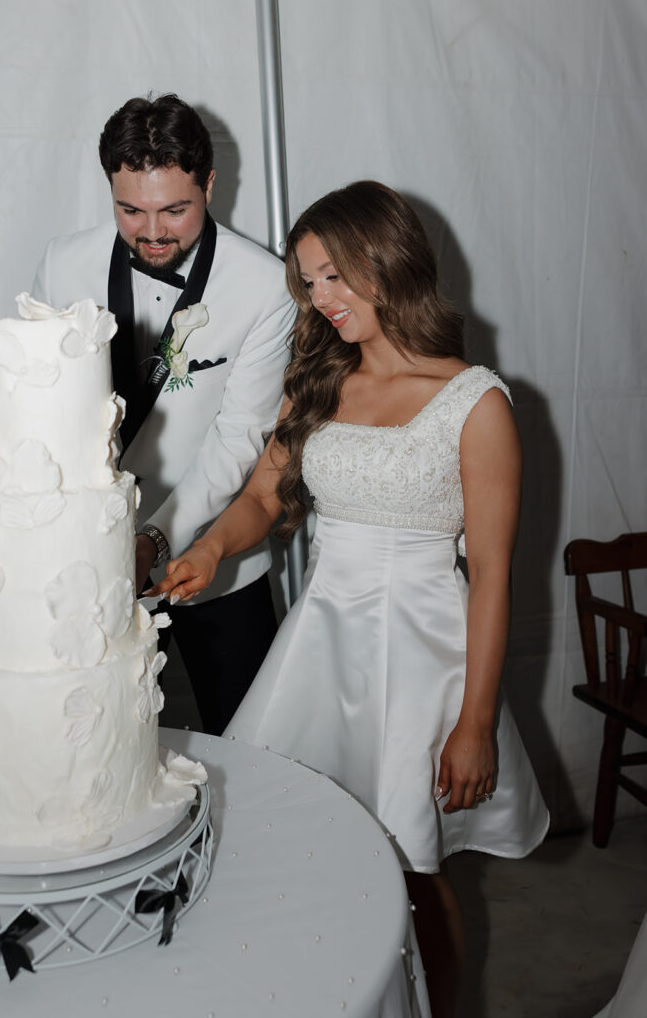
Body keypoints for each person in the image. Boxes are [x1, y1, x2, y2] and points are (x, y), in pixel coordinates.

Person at [149, 181, 550, 1017]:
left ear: (387, 262)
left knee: (411, 867)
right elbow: (263, 496)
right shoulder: (319, 379)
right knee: (301, 841)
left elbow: (492, 580)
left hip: (423, 665)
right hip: (320, 647)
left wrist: (475, 723)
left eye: (334, 276)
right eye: (309, 282)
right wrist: (210, 549)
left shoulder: (475, 404)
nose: (321, 300)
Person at [32, 93, 296, 735]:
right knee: (95, 749)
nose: (152, 232)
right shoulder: (62, 263)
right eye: (131, 210)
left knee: (251, 748)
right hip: (92, 560)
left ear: (209, 184)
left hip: (218, 559)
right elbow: (39, 406)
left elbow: (238, 438)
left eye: (175, 210)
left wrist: (154, 536)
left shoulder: (265, 285)